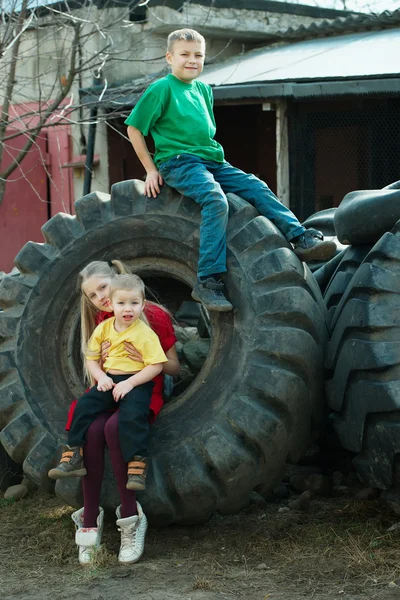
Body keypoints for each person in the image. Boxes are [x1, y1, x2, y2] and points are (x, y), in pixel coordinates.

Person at [125, 28, 336, 313]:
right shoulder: (162, 88)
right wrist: (151, 169)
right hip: (179, 162)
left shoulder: (203, 90)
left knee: (256, 186)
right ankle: (208, 280)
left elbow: (205, 135)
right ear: (169, 57)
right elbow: (134, 128)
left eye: (198, 55)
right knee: (215, 200)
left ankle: (300, 237)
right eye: (184, 54)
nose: (192, 60)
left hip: (212, 160)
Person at [54, 261, 179, 566]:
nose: (102, 297)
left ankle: (131, 517)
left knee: (113, 429)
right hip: (111, 387)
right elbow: (95, 360)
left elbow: (174, 366)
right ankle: (89, 519)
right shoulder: (103, 321)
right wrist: (103, 376)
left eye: (104, 288)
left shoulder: (152, 316)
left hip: (145, 384)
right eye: (94, 295)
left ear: (119, 282)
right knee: (93, 430)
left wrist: (144, 364)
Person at [49, 272, 168, 491]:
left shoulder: (145, 333)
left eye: (134, 303)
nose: (127, 309)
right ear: (111, 304)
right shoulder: (103, 328)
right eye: (121, 303)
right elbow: (91, 359)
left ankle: (137, 464)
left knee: (134, 415)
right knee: (83, 405)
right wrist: (102, 377)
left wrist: (131, 383)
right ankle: (74, 453)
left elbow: (156, 365)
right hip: (110, 379)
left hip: (137, 381)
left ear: (143, 305)